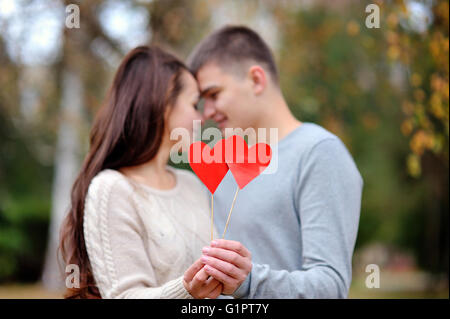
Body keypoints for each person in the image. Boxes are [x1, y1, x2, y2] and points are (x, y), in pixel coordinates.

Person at [58, 45, 252, 299]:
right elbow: (124, 296)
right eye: (194, 104)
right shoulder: (113, 189)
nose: (203, 118)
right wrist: (186, 291)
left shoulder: (191, 183)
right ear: (163, 103)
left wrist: (235, 273)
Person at [188, 25, 363, 298]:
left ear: (256, 80)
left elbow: (331, 286)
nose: (207, 112)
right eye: (202, 101)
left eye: (213, 94)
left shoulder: (318, 152)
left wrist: (249, 282)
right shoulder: (221, 166)